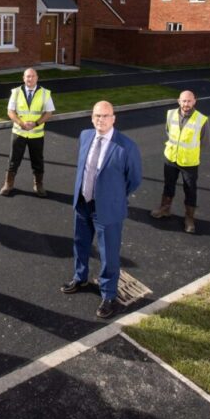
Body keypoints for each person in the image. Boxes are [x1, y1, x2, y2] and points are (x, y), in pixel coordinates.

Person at [61, 100, 142, 319]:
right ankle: (80, 278)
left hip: (107, 209)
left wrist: (113, 195)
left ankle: (108, 295)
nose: (101, 120)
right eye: (97, 115)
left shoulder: (126, 146)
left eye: (106, 116)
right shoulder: (85, 136)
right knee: (80, 243)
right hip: (83, 202)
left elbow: (134, 180)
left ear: (114, 118)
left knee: (108, 253)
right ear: (91, 117)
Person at [150, 90, 209, 233]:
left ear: (195, 101)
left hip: (189, 162)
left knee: (190, 190)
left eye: (189, 101)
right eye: (183, 101)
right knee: (168, 185)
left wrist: (189, 151)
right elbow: (168, 131)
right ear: (179, 101)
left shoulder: (201, 119)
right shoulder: (170, 114)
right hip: (171, 157)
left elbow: (205, 141)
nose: (186, 104)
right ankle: (165, 209)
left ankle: (189, 218)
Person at [0, 68, 55, 197]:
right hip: (19, 133)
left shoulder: (45, 93)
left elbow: (49, 112)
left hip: (36, 134)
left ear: (37, 77)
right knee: (13, 159)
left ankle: (38, 184)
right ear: (23, 78)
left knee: (38, 160)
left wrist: (36, 124)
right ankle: (8, 184)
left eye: (32, 76)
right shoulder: (16, 92)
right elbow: (10, 111)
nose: (30, 79)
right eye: (27, 77)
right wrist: (21, 123)